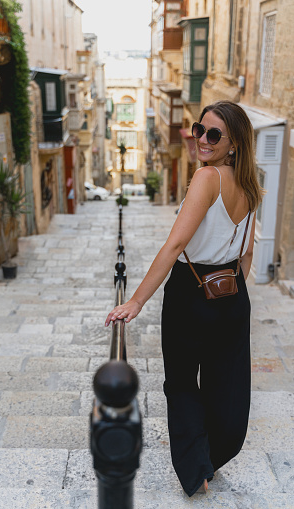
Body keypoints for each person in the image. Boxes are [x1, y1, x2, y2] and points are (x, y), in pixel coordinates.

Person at [105, 100, 263, 497]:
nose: (202, 140)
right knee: (223, 382)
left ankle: (196, 471)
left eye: (214, 135)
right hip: (231, 294)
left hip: (190, 292)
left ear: (234, 144)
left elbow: (175, 245)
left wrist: (136, 301)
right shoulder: (249, 184)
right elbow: (245, 254)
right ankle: (214, 453)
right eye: (199, 129)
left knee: (180, 382)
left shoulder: (207, 179)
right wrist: (228, 294)